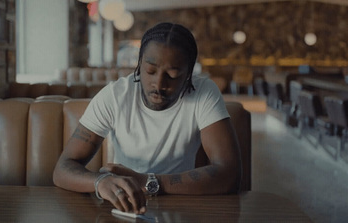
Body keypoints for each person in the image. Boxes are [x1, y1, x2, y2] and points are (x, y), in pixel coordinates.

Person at [53, 22, 241, 215]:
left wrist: (148, 181)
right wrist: (100, 181)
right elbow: (62, 169)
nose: (158, 84)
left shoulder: (204, 92)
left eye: (173, 75)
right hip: (125, 206)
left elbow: (229, 173)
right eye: (150, 71)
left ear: (189, 74)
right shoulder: (115, 95)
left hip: (182, 203)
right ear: (139, 63)